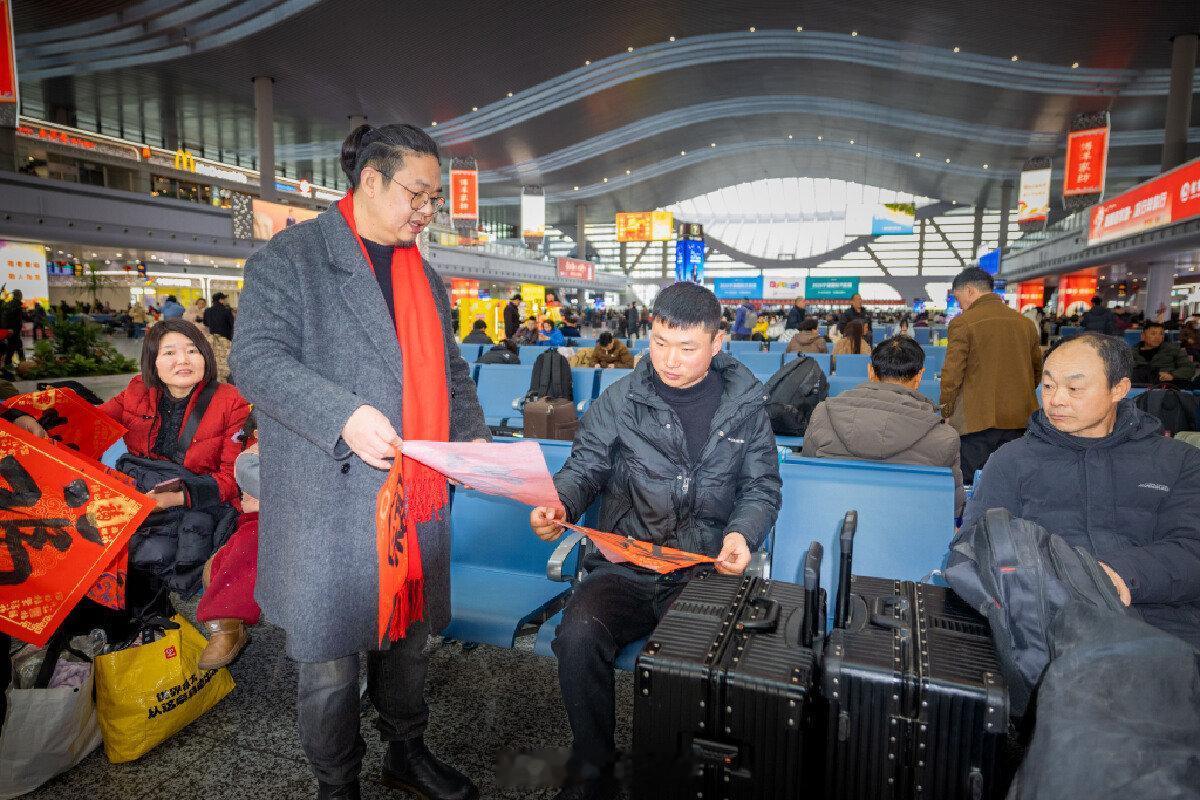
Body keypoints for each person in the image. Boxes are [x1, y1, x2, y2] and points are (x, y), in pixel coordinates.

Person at [231, 122, 489, 800]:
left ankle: (406, 749)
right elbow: (254, 362)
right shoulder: (292, 259)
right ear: (369, 180)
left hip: (416, 495)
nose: (427, 212)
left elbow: (453, 376)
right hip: (330, 502)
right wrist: (342, 414)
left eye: (436, 200)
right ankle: (336, 782)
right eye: (418, 194)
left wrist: (476, 440)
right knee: (331, 666)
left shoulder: (427, 280)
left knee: (407, 643)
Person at [529, 282, 781, 800]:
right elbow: (585, 469)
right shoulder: (621, 401)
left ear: (716, 343)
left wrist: (742, 533)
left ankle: (668, 768)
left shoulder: (746, 406)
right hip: (625, 562)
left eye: (687, 348)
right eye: (660, 342)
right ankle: (593, 763)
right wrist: (561, 504)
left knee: (683, 662)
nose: (670, 360)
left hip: (699, 569)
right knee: (577, 637)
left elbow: (761, 487)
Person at [963, 332, 1200, 650]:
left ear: (1119, 389)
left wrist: (1119, 575)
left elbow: (1191, 550)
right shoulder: (1013, 459)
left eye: (1074, 388)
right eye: (1048, 386)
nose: (1056, 399)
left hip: (1164, 627)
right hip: (1047, 629)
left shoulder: (1179, 461)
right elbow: (973, 548)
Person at [99, 318, 251, 609]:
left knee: (147, 558)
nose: (183, 360)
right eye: (169, 352)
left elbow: (233, 480)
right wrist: (27, 417)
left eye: (192, 350)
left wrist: (175, 498)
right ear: (152, 361)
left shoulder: (231, 401)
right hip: (140, 495)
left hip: (197, 501)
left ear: (205, 355)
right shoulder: (137, 391)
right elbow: (90, 421)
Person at [803, 336, 964, 515]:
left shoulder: (823, 414)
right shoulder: (945, 438)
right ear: (919, 377)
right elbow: (953, 510)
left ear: (870, 372)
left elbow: (805, 478)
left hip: (832, 520)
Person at [940, 267, 1042, 480]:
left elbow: (952, 374)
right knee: (1010, 482)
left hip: (976, 422)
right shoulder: (1026, 324)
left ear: (969, 291)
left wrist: (946, 411)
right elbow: (1037, 371)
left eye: (959, 300)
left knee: (971, 485)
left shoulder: (963, 323)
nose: (960, 306)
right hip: (1019, 421)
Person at [196, 424, 261, 670]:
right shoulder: (249, 460)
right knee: (249, 545)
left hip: (309, 523)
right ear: (257, 433)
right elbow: (281, 491)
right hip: (263, 520)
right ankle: (225, 622)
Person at [1131, 321, 1195, 385]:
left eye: (1161, 334)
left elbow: (1189, 369)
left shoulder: (1174, 349)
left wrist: (1172, 375)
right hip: (1138, 386)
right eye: (1153, 334)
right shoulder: (1131, 353)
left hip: (1166, 386)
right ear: (1143, 336)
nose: (1158, 337)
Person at [1, 290, 25, 366]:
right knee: (12, 346)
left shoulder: (13, 304)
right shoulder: (15, 305)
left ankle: (21, 361)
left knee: (17, 344)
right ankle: (8, 363)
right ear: (18, 296)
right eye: (21, 294)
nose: (22, 296)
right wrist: (9, 328)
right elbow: (9, 317)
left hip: (12, 329)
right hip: (13, 330)